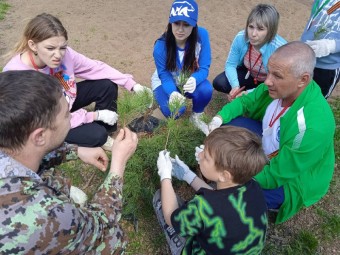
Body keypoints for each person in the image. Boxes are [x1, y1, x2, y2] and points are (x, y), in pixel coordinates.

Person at [0, 70, 138, 254]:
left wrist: (75, 151)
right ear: (40, 135)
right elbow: (101, 222)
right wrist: (118, 165)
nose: (72, 117)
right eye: (67, 114)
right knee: (112, 238)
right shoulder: (46, 217)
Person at [207, 41, 335, 224]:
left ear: (303, 80)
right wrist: (218, 118)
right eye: (269, 71)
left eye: (277, 75)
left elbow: (277, 175)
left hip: (291, 179)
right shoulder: (276, 87)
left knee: (242, 195)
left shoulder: (312, 126)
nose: (267, 81)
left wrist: (232, 178)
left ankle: (262, 203)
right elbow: (245, 102)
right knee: (227, 127)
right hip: (268, 140)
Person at [2, 13, 150, 151]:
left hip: (64, 102)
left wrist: (132, 85)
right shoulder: (19, 76)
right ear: (33, 45)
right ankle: (98, 136)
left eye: (63, 48)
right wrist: (93, 115)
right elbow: (43, 122)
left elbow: (96, 68)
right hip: (45, 123)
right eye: (50, 48)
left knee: (106, 85)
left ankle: (105, 129)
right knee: (97, 135)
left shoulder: (65, 55)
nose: (58, 55)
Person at [153, 126, 268, 254]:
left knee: (159, 198)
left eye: (206, 157)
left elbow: (170, 217)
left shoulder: (202, 207)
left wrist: (165, 176)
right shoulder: (253, 186)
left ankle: (180, 245)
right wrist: (188, 176)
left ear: (224, 175)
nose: (200, 155)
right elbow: (220, 199)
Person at [151, 0, 213, 135]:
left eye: (186, 24)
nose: (180, 29)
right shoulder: (160, 47)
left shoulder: (202, 36)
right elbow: (164, 75)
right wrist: (172, 92)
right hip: (166, 81)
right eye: (176, 23)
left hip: (188, 78)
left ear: (194, 24)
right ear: (170, 22)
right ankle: (157, 98)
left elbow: (204, 67)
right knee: (175, 110)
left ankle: (196, 116)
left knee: (206, 89)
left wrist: (195, 79)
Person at [213, 4, 286, 99]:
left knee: (272, 98)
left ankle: (251, 96)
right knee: (220, 82)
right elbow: (230, 65)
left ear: (271, 31)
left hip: (269, 82)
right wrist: (235, 87)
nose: (253, 34)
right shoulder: (241, 37)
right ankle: (244, 95)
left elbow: (278, 82)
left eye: (260, 29)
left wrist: (248, 93)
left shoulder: (280, 49)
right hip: (249, 74)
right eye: (251, 27)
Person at [301, 0, 340, 98]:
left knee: (314, 102)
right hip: (304, 58)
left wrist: (331, 46)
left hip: (327, 67)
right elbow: (316, 19)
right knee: (294, 96)